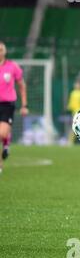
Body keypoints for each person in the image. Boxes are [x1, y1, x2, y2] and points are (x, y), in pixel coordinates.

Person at [0, 41, 28, 173]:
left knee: (2, 133)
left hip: (7, 105)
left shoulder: (12, 66)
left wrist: (24, 105)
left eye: (1, 49)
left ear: (5, 51)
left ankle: (6, 143)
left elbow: (21, 86)